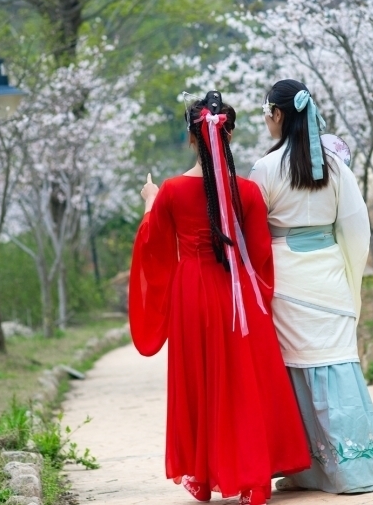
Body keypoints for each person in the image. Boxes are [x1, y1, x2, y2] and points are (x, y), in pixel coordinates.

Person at [128, 91, 310, 505]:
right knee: (244, 384)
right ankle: (253, 480)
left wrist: (150, 201)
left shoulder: (171, 191)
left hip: (192, 294)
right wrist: (259, 297)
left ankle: (204, 473)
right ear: (229, 134)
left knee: (200, 383)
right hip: (238, 297)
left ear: (192, 137)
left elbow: (153, 246)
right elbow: (261, 255)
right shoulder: (247, 191)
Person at [250, 79, 373, 495]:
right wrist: (350, 270)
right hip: (329, 275)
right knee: (339, 363)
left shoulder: (265, 169)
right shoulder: (335, 166)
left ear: (277, 114)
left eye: (267, 113)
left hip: (287, 280)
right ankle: (357, 468)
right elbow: (355, 225)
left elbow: (252, 232)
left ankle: (308, 468)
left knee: (298, 369)